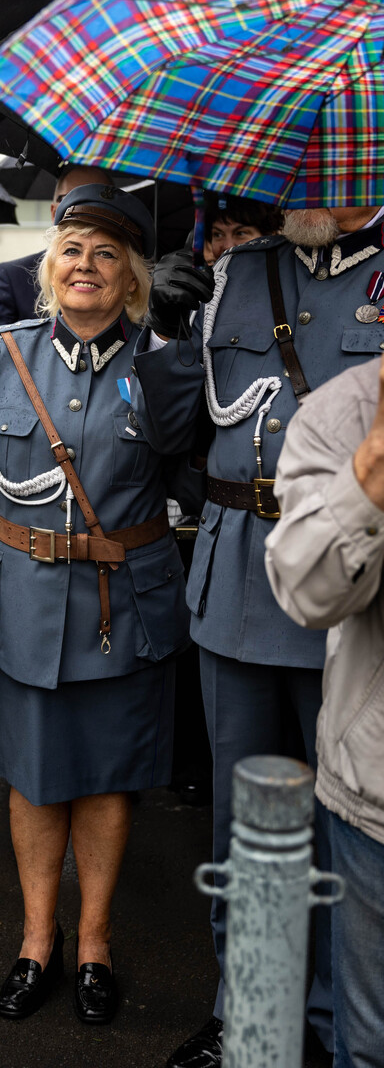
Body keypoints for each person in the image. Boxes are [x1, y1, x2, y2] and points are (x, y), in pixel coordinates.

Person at [132, 198, 384, 1067]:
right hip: (240, 582)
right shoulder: (238, 274)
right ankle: (248, 1008)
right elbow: (173, 433)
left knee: (347, 835)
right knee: (247, 828)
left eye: (334, 178)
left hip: (355, 591)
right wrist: (164, 330)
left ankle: (334, 1023)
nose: (310, 199)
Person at [0, 184, 190, 1025]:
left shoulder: (161, 358)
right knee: (32, 781)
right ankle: (35, 940)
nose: (86, 266)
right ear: (52, 269)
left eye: (107, 255)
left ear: (131, 280)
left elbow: (185, 476)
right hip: (19, 602)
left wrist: (173, 360)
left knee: (109, 781)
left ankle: (94, 944)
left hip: (125, 606)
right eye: (73, 252)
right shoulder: (5, 351)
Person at [265, 353, 384, 1068]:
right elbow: (307, 592)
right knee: (369, 1045)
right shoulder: (347, 409)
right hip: (376, 798)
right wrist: (370, 471)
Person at [0, 166, 115, 406]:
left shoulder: (119, 280)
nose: (82, 209)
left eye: (95, 200)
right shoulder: (12, 277)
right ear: (54, 210)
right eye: (70, 200)